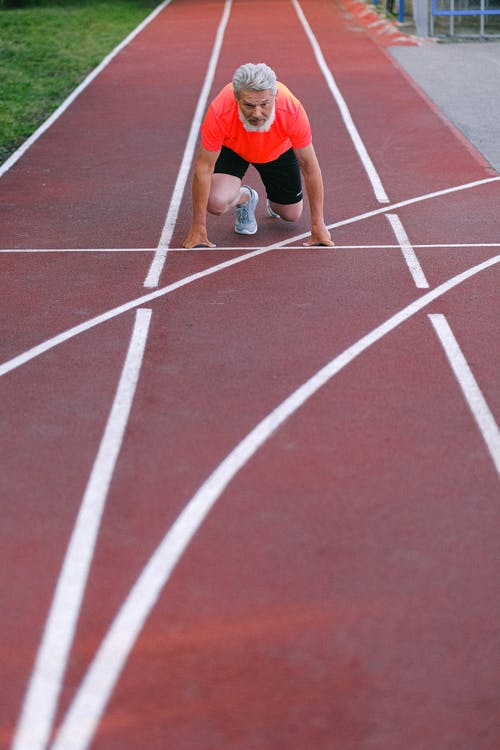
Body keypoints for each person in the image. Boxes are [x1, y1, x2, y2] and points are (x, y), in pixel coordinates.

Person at [183, 62, 334, 248]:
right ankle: (246, 197)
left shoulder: (291, 109)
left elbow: (310, 167)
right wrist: (199, 226)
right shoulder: (220, 110)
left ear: (275, 96)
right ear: (236, 97)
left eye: (264, 104)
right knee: (215, 202)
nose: (257, 113)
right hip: (234, 149)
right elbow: (204, 169)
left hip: (277, 150)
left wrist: (318, 224)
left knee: (291, 215)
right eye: (248, 105)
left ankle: (275, 201)